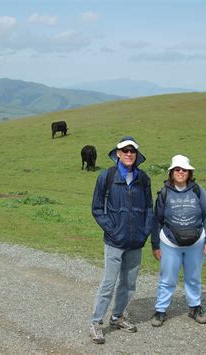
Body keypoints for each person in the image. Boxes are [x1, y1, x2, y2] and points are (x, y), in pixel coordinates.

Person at [89, 136, 154, 344]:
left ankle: (117, 317)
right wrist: (112, 230)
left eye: (132, 151)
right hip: (114, 242)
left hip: (136, 242)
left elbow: (149, 209)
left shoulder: (143, 179)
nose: (128, 154)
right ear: (117, 153)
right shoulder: (106, 177)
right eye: (124, 151)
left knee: (129, 283)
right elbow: (97, 209)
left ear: (136, 155)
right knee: (108, 283)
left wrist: (144, 232)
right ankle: (96, 323)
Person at [150, 154, 206, 327]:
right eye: (177, 169)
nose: (180, 172)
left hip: (196, 243)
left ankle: (195, 308)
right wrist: (155, 244)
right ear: (171, 172)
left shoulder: (198, 190)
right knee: (167, 278)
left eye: (184, 169)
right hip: (170, 243)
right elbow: (156, 220)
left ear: (189, 172)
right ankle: (160, 310)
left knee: (193, 277)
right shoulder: (164, 193)